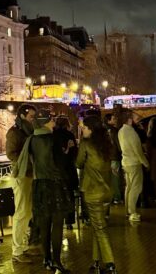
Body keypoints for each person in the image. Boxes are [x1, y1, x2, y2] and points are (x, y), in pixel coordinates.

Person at [28, 109, 73, 273]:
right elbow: (60, 163)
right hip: (55, 185)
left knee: (44, 224)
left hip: (39, 184)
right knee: (57, 224)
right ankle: (56, 261)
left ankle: (46, 259)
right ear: (46, 122)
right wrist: (67, 152)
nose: (54, 122)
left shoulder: (32, 139)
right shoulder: (53, 139)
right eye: (52, 120)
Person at [77, 115, 118, 274]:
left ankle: (110, 263)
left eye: (84, 127)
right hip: (107, 191)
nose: (82, 129)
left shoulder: (86, 144)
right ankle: (95, 260)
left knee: (100, 228)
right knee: (98, 225)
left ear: (91, 129)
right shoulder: (107, 144)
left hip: (93, 192)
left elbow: (78, 163)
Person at [6, 104, 38, 264]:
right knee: (21, 212)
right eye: (32, 116)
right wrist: (28, 158)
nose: (34, 119)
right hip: (21, 174)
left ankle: (23, 247)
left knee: (27, 212)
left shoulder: (29, 131)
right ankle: (17, 251)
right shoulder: (14, 132)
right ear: (23, 116)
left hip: (30, 174)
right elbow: (10, 154)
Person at [118, 109, 149, 222]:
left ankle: (128, 210)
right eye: (135, 118)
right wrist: (145, 162)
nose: (137, 120)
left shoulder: (121, 131)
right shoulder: (131, 132)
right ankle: (132, 212)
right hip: (134, 162)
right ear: (130, 120)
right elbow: (137, 149)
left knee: (129, 187)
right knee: (136, 187)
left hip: (125, 162)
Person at [53, 115, 79, 230]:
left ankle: (58, 220)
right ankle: (69, 221)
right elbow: (74, 154)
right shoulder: (69, 136)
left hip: (56, 171)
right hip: (68, 171)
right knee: (70, 196)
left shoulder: (52, 136)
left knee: (58, 196)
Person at [104, 113, 123, 204]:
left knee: (109, 178)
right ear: (109, 120)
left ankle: (110, 197)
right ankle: (116, 197)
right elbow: (118, 144)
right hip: (114, 156)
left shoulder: (102, 130)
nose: (115, 120)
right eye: (113, 118)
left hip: (107, 157)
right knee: (115, 178)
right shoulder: (114, 131)